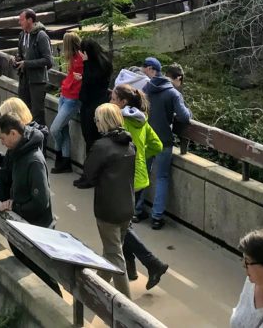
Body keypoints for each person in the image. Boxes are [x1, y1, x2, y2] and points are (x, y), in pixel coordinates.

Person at [0, 114, 60, 294]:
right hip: (22, 226)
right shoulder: (19, 151)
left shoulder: (34, 161)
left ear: (13, 133)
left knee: (43, 275)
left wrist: (14, 206)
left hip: (36, 231)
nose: (1, 142)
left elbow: (41, 202)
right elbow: (10, 173)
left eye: (2, 138)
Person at [73, 104, 136, 298]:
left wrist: (81, 183)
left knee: (115, 256)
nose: (96, 123)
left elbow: (88, 174)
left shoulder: (101, 146)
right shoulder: (129, 144)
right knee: (112, 251)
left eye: (97, 120)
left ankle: (127, 306)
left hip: (107, 209)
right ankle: (96, 288)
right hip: (127, 206)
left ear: (104, 121)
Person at [112, 84, 168, 289]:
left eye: (113, 99)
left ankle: (153, 263)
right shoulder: (140, 120)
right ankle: (132, 268)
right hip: (140, 177)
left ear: (123, 102)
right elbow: (158, 146)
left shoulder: (121, 121)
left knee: (121, 226)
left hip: (125, 177)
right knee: (125, 224)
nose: (110, 102)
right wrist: (142, 156)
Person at [142, 63, 191, 229]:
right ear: (177, 78)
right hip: (163, 140)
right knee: (162, 177)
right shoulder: (173, 93)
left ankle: (136, 210)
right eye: (181, 81)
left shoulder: (148, 87)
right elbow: (184, 117)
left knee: (144, 173)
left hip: (147, 138)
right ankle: (156, 217)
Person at [51, 32, 84, 174]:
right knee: (63, 130)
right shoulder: (73, 58)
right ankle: (65, 161)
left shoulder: (82, 59)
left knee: (55, 129)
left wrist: (82, 77)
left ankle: (59, 153)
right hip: (65, 95)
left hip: (73, 99)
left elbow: (88, 76)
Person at [14, 10, 54, 125]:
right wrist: (17, 59)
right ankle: (26, 139)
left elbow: (48, 60)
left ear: (30, 20)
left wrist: (27, 63)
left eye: (21, 20)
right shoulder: (22, 35)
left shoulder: (41, 36)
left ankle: (40, 141)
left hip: (37, 81)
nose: (19, 22)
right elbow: (21, 54)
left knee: (37, 114)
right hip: (24, 78)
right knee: (22, 111)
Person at [79, 39, 113, 152]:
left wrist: (86, 63)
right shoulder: (104, 62)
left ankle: (91, 164)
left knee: (90, 137)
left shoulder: (93, 65)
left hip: (92, 104)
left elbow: (90, 82)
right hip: (99, 101)